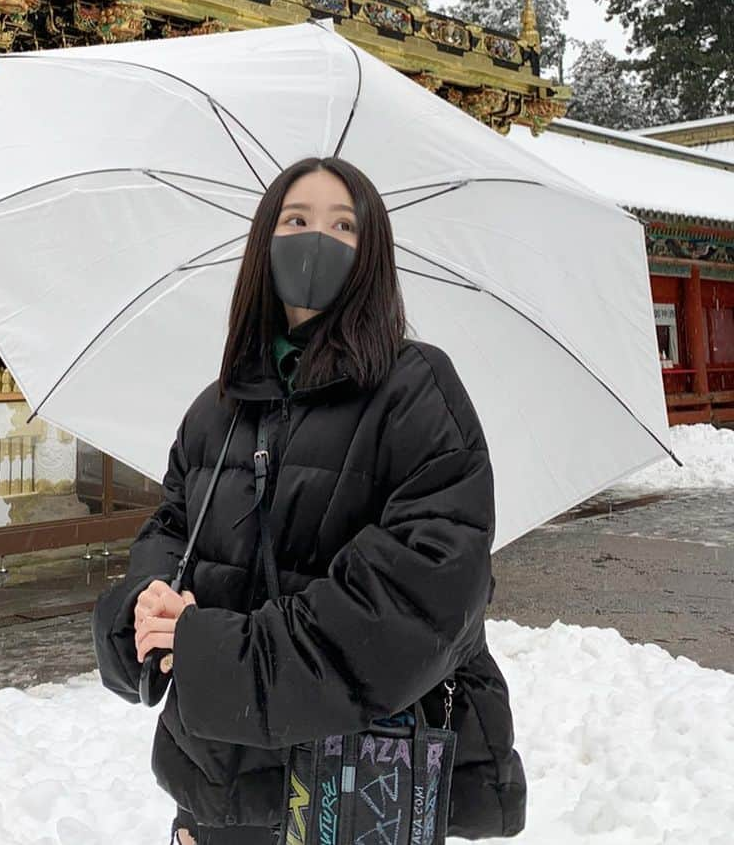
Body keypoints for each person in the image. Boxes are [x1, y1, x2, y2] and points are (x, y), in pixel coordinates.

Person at [92, 156, 526, 843]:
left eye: (342, 224)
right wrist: (145, 608)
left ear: (371, 253)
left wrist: (213, 650)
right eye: (296, 220)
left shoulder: (417, 392)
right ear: (266, 241)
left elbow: (416, 599)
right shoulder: (220, 408)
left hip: (359, 786)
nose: (315, 238)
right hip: (225, 789)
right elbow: (174, 525)